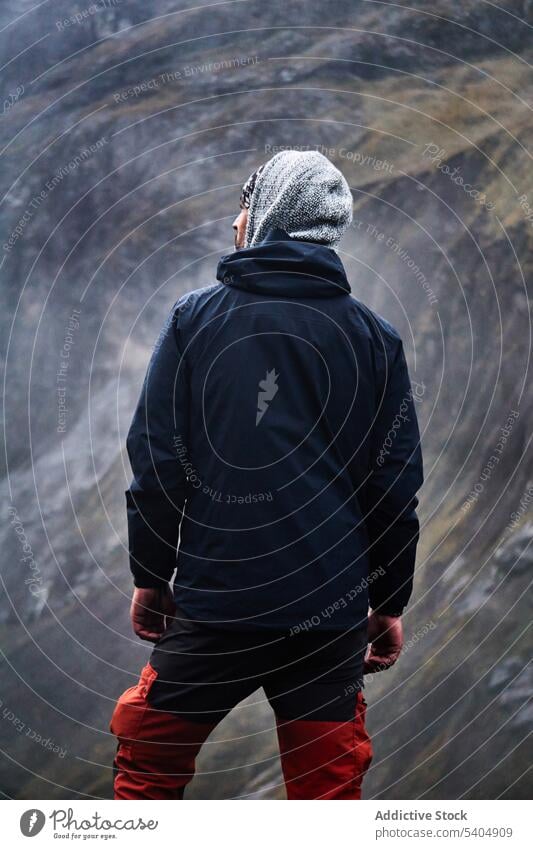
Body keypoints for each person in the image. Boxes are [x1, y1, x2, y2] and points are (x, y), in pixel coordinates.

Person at [110, 149, 424, 800]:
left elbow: (157, 460)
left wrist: (151, 575)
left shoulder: (195, 320)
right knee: (326, 795)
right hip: (329, 612)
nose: (234, 221)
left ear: (267, 219)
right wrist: (387, 600)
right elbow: (393, 485)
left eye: (245, 208)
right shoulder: (374, 338)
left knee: (148, 770)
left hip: (215, 603)